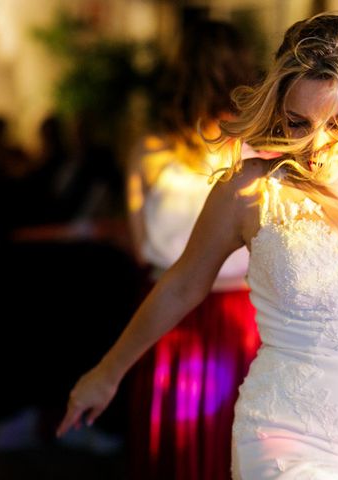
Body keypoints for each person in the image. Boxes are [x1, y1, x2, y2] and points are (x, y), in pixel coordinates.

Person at [58, 12, 338, 479]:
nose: (316, 145)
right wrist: (107, 372)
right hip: (284, 431)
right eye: (298, 123)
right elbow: (182, 284)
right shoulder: (249, 190)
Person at [125, 19, 260, 480]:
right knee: (238, 447)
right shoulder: (262, 154)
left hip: (167, 315)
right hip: (246, 318)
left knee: (174, 452)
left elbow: (142, 248)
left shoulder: (149, 151)